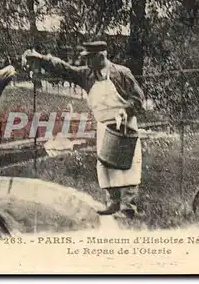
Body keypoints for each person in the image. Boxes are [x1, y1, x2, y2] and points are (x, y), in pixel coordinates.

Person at [22, 41, 145, 218]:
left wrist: (126, 110)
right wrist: (42, 59)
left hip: (125, 124)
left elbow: (138, 98)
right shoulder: (87, 75)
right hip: (104, 125)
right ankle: (112, 202)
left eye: (89, 58)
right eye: (85, 58)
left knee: (129, 164)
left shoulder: (122, 73)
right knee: (106, 164)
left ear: (101, 56)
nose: (86, 63)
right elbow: (65, 69)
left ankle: (128, 206)